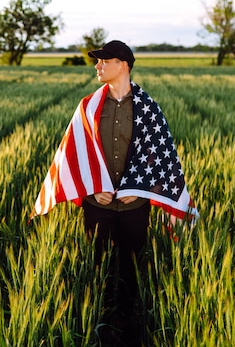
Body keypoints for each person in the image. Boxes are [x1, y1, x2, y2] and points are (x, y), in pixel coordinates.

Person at [33, 40, 198, 345]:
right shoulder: (87, 107)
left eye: (103, 61)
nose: (97, 66)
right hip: (98, 206)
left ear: (122, 64)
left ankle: (127, 317)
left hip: (135, 207)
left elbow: (158, 157)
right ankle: (100, 318)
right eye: (97, 62)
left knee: (131, 263)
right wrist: (91, 193)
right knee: (98, 264)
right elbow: (73, 155)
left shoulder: (148, 108)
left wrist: (141, 192)